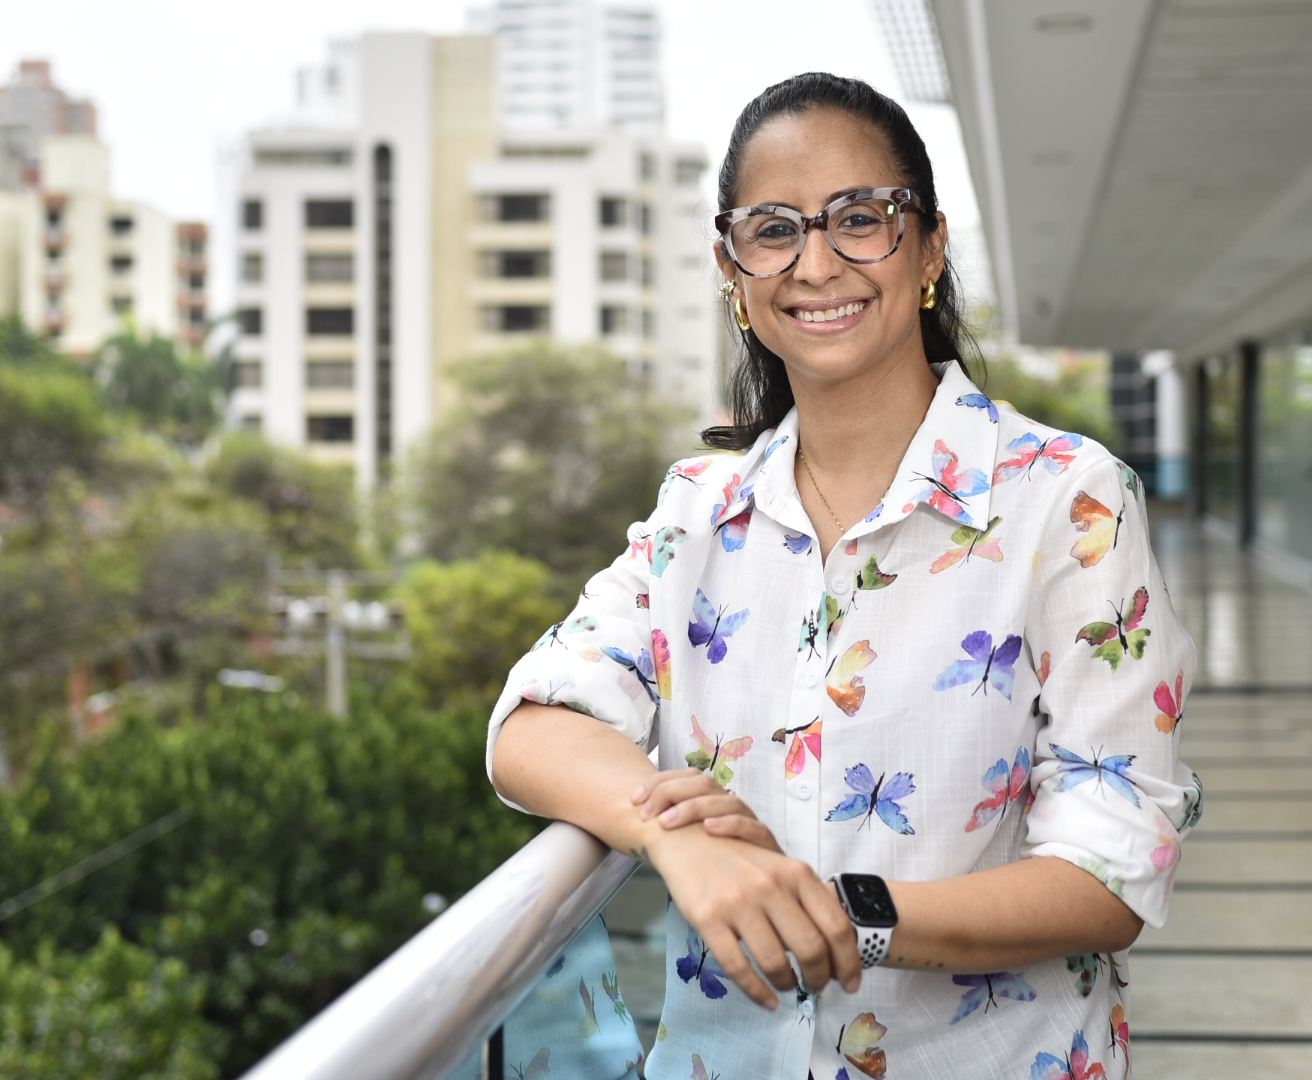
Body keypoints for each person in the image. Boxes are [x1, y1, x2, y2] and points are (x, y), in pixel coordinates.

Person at [489, 72, 1201, 1080]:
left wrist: (838, 914)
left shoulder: (1070, 500)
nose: (816, 263)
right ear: (734, 271)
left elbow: (1112, 869)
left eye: (860, 218)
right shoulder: (698, 509)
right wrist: (681, 842)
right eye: (772, 229)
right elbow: (532, 724)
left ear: (930, 248)